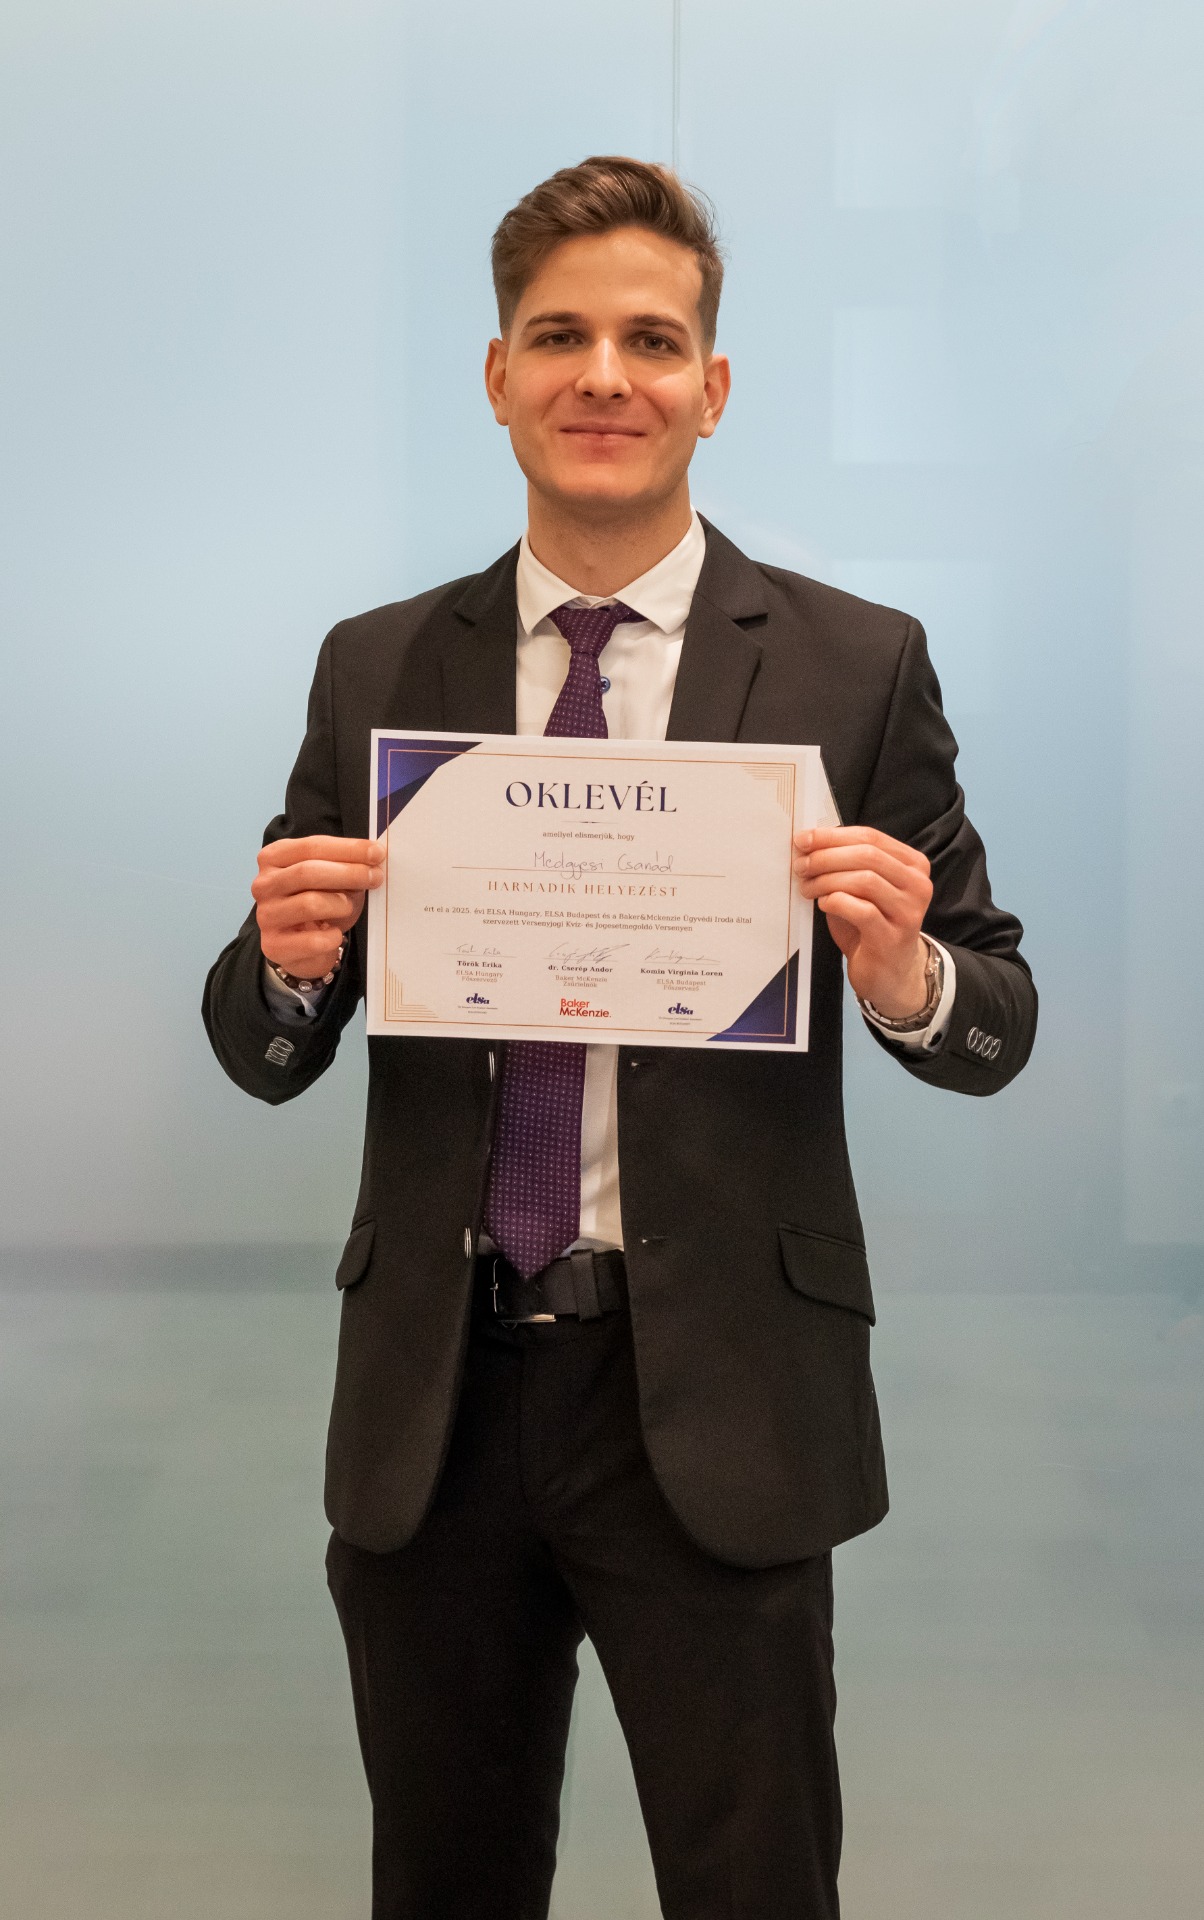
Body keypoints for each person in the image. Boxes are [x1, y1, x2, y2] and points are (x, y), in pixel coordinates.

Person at [203, 155, 1036, 1920]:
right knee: (444, 1883)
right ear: (497, 376)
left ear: (711, 388)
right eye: (559, 336)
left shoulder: (854, 664)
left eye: (651, 341)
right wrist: (281, 964)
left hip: (720, 1394)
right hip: (440, 1403)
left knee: (753, 1890)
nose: (605, 376)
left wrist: (903, 973)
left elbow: (993, 1019)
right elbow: (267, 1038)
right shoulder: (376, 668)